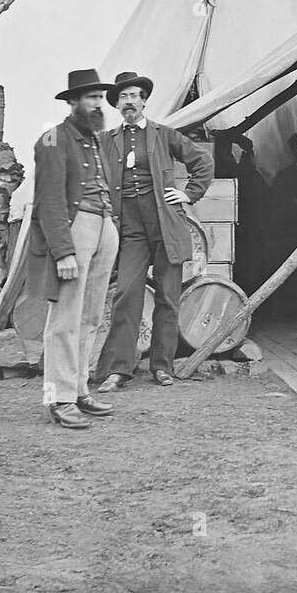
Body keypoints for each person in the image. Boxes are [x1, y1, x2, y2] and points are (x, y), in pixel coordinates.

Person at [93, 71, 214, 390]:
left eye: (134, 95)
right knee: (126, 295)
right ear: (117, 105)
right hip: (130, 228)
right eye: (123, 97)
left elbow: (202, 161)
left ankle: (162, 366)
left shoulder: (164, 134)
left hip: (165, 224)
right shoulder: (107, 140)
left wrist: (189, 193)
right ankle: (118, 370)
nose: (129, 101)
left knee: (168, 298)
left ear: (144, 101)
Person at [25, 69, 120, 429]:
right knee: (64, 319)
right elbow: (49, 201)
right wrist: (62, 251)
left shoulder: (94, 139)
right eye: (90, 98)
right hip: (74, 228)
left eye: (100, 97)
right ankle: (57, 397)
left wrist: (110, 226)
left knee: (91, 315)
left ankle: (78, 389)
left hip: (103, 225)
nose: (98, 104)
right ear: (72, 102)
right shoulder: (53, 140)